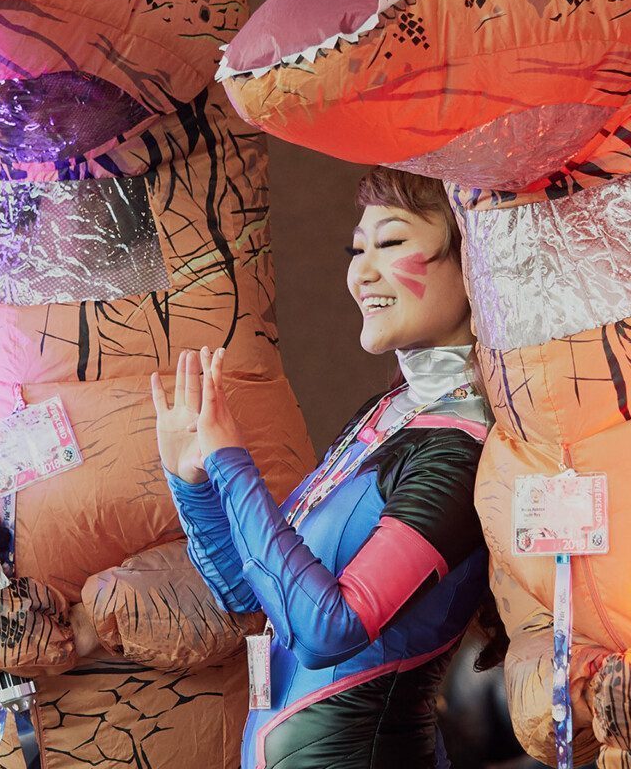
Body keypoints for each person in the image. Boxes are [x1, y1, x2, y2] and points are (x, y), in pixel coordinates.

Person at [152, 168, 495, 768]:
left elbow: (325, 631)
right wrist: (195, 481)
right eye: (357, 249)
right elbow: (249, 593)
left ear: (475, 259)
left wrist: (234, 465)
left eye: (389, 244)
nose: (360, 273)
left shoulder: (460, 449)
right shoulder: (392, 413)